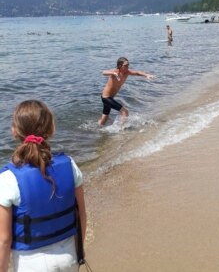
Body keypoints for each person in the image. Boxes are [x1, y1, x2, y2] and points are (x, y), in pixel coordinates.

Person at [0, 100, 87, 272]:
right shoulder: (70, 165)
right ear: (52, 128)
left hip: (30, 264)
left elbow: (4, 239)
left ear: (14, 131)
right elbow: (81, 217)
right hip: (69, 257)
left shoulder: (8, 179)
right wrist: (79, 253)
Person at [98, 57, 155, 126]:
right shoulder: (115, 71)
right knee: (125, 112)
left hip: (109, 98)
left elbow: (137, 72)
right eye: (125, 65)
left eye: (128, 65)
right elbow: (103, 72)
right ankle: (121, 130)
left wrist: (146, 75)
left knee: (105, 117)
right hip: (106, 97)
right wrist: (113, 73)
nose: (128, 67)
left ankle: (97, 130)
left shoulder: (127, 72)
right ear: (120, 66)